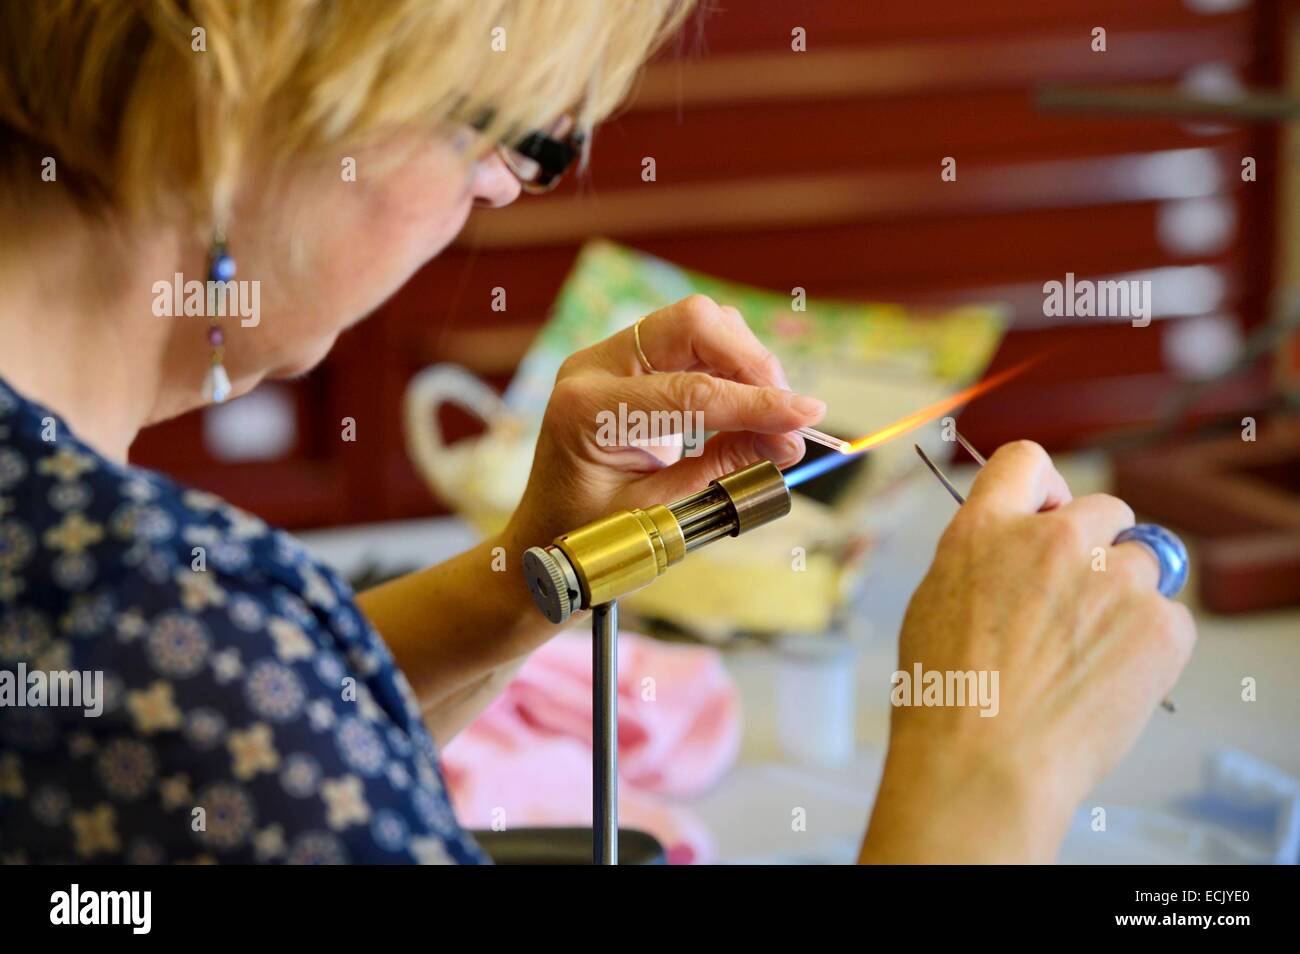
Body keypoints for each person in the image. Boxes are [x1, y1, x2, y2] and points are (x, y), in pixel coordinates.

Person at [0, 0, 1194, 864]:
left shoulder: (158, 640)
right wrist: (985, 776)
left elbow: (273, 737)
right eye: (520, 134)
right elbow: (224, 723)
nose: (510, 188)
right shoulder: (148, 631)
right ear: (236, 87)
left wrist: (546, 570)